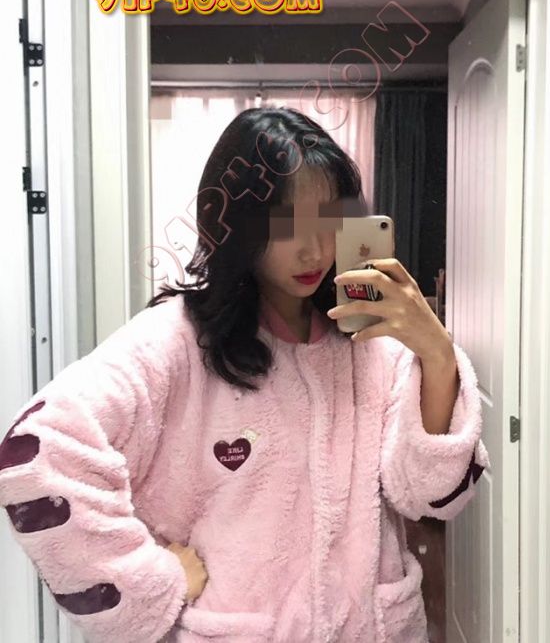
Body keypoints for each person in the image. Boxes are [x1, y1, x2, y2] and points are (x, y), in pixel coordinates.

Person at [0, 107, 489, 643]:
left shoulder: (370, 343)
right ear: (236, 224)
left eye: (328, 221)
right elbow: (38, 451)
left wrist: (436, 353)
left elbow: (426, 494)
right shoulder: (179, 340)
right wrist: (149, 581)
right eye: (286, 226)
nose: (314, 249)